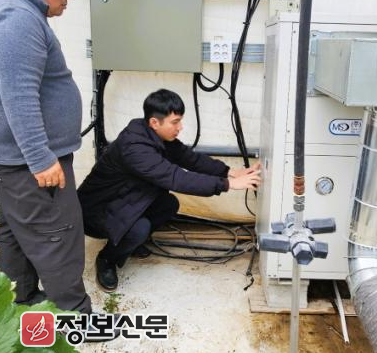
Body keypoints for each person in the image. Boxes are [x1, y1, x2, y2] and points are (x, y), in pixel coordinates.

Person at [0, 0, 92, 314]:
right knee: (57, 237)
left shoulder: (18, 13)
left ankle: (19, 300)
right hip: (31, 161)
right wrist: (41, 158)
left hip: (22, 158)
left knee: (19, 230)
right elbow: (19, 97)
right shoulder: (16, 19)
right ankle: (74, 317)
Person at [77, 89, 262, 292]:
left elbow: (189, 159)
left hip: (124, 198)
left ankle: (128, 243)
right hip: (96, 212)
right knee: (139, 229)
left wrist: (230, 172)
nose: (180, 127)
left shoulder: (153, 133)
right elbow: (177, 178)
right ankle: (107, 259)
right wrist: (228, 184)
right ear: (155, 122)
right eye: (175, 122)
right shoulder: (135, 148)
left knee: (168, 204)